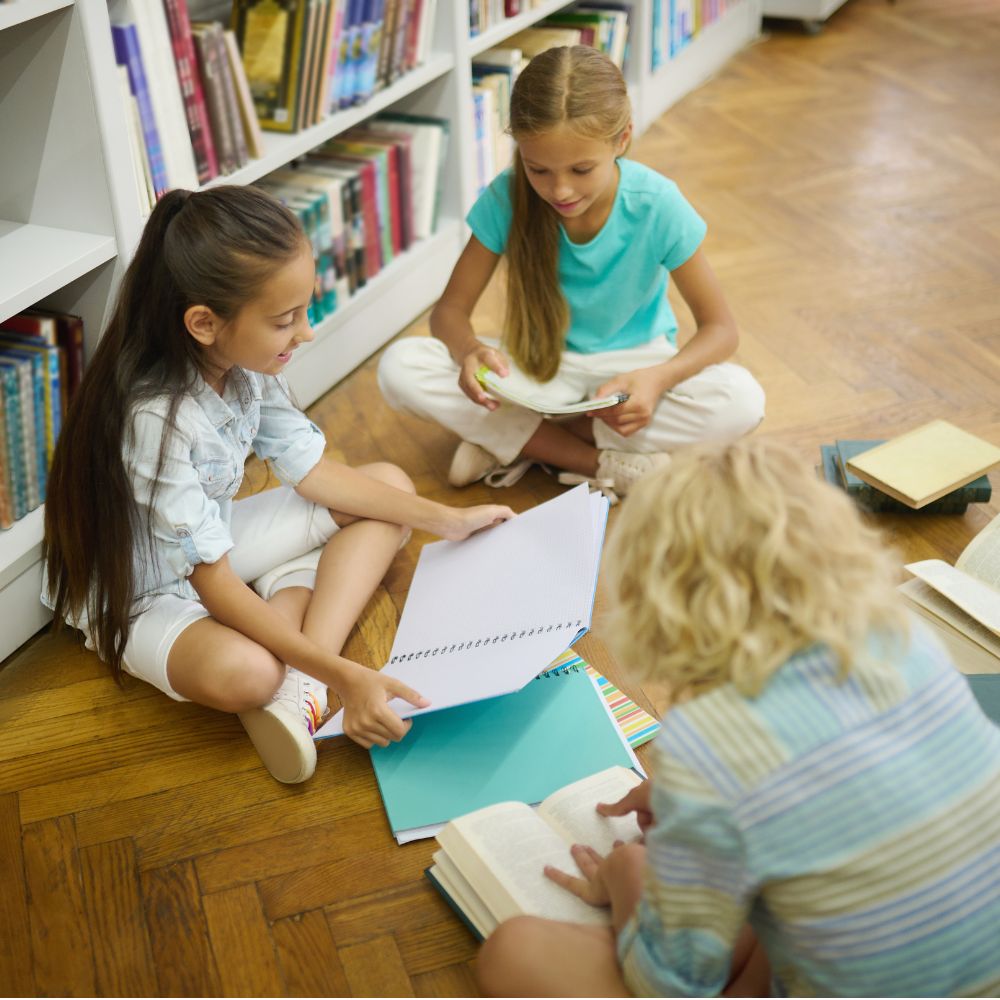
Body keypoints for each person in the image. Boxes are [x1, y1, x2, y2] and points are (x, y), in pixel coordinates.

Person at [475, 437, 1000, 997]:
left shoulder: (704, 745)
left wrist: (629, 879)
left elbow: (673, 985)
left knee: (514, 950)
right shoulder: (905, 639)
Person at [42, 186, 514, 785]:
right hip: (142, 589)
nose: (307, 333)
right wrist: (350, 675)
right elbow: (209, 581)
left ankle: (303, 684)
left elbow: (315, 474)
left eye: (305, 311)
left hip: (211, 548)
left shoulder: (244, 368)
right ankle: (296, 642)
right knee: (250, 675)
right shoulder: (153, 417)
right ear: (205, 323)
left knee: (389, 485)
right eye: (286, 320)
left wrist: (448, 520)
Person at [377, 46, 764, 499]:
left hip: (633, 366)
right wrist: (469, 351)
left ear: (622, 140)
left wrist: (658, 379)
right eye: (538, 169)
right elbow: (449, 313)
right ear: (518, 147)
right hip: (539, 366)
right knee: (400, 367)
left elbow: (721, 331)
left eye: (582, 169)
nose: (559, 190)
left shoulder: (657, 203)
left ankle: (517, 440)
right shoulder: (507, 196)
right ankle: (599, 463)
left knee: (742, 401)